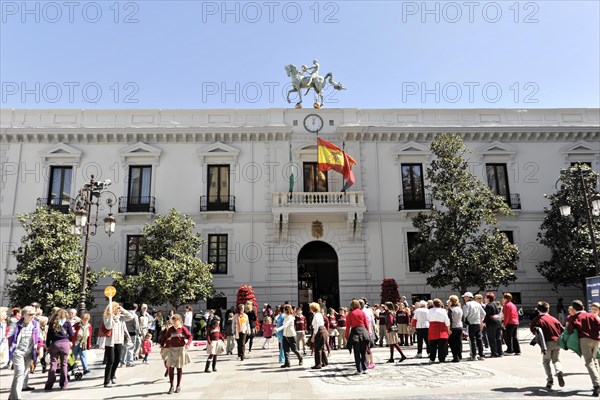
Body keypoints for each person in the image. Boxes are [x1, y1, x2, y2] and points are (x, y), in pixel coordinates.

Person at [8, 306, 42, 399]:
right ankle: (18, 397)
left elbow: (39, 338)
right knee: (19, 372)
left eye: (34, 314)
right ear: (24, 315)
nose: (33, 316)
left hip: (29, 352)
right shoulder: (16, 324)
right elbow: (9, 337)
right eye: (30, 314)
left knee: (20, 374)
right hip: (17, 352)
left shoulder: (35, 324)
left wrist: (40, 349)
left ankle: (12, 397)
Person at [568, 300, 600, 397]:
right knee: (594, 361)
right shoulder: (592, 316)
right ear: (583, 307)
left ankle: (597, 385)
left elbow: (570, 330)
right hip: (596, 340)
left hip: (584, 340)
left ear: (573, 309)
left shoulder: (574, 317)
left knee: (589, 362)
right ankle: (597, 380)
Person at [530, 301, 565, 390]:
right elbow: (562, 329)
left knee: (546, 361)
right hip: (557, 342)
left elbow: (533, 330)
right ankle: (559, 371)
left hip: (546, 343)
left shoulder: (537, 319)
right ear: (548, 309)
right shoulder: (554, 319)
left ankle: (550, 380)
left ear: (538, 310)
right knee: (556, 360)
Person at [102, 302, 134, 387]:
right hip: (110, 342)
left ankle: (113, 375)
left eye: (119, 308)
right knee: (110, 361)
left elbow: (131, 316)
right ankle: (106, 381)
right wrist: (111, 316)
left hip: (119, 341)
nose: (118, 309)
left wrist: (122, 309)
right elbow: (108, 327)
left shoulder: (121, 318)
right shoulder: (107, 316)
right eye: (117, 308)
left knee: (117, 360)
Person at [44, 308, 74, 391]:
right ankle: (64, 384)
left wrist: (47, 345)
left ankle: (49, 384)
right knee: (64, 364)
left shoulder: (52, 322)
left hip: (55, 344)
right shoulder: (67, 323)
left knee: (53, 363)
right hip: (65, 344)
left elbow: (48, 336)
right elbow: (71, 334)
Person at [163, 314, 192, 394]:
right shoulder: (171, 329)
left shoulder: (182, 328)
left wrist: (188, 344)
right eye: (173, 320)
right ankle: (171, 386)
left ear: (179, 320)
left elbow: (190, 336)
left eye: (176, 320)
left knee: (179, 368)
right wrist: (163, 345)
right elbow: (166, 337)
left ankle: (178, 386)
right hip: (172, 349)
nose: (175, 321)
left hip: (180, 349)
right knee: (171, 368)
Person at [345, 299, 371, 374]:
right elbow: (366, 324)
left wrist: (346, 336)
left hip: (355, 332)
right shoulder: (362, 312)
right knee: (364, 351)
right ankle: (365, 368)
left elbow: (348, 326)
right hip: (363, 332)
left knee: (357, 352)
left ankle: (359, 370)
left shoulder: (350, 314)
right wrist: (368, 333)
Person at [462, 292, 486, 361]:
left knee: (472, 340)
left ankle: (474, 355)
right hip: (477, 323)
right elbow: (483, 313)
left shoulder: (466, 304)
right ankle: (481, 355)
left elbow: (465, 315)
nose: (464, 298)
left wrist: (466, 321)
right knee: (479, 339)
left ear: (469, 297)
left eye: (465, 297)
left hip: (470, 323)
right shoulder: (477, 304)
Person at [428, 299, 450, 363]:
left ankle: (432, 358)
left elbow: (428, 318)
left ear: (433, 304)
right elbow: (447, 321)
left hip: (432, 327)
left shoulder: (430, 310)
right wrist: (448, 328)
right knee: (442, 345)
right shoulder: (443, 311)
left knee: (433, 345)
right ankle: (441, 358)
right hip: (441, 328)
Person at [309, 302, 328, 369]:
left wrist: (313, 336)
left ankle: (318, 364)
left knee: (317, 349)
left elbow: (316, 326)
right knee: (321, 347)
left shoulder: (316, 315)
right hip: (323, 330)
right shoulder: (319, 314)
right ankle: (325, 362)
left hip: (319, 331)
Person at [448, 295, 463, 362]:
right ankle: (460, 355)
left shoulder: (451, 309)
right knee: (459, 342)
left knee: (452, 343)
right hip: (460, 326)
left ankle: (455, 357)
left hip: (453, 327)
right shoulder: (460, 308)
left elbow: (450, 319)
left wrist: (450, 329)